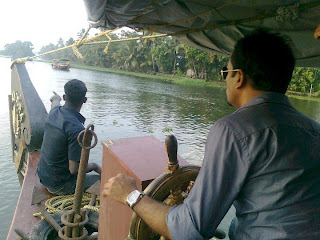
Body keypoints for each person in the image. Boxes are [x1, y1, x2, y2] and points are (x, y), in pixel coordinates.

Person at [102, 29, 320, 239]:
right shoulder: (314, 130)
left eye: (226, 72)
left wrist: (130, 195)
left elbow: (189, 230)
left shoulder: (233, 129)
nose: (225, 80)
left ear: (238, 77)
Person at [38, 79, 101, 196]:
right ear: (85, 100)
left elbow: (55, 103)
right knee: (102, 182)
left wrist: (56, 98)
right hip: (60, 186)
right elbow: (74, 169)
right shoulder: (78, 130)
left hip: (43, 178)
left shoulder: (54, 112)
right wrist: (94, 166)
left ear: (65, 96)